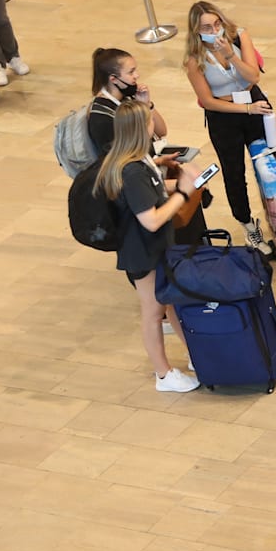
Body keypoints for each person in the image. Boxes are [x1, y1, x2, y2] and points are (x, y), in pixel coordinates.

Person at [95, 100, 203, 393]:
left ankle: (196, 354)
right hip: (142, 252)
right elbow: (152, 220)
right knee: (154, 311)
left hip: (157, 248)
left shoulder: (141, 160)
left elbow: (154, 189)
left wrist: (184, 180)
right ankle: (164, 374)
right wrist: (183, 193)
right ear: (143, 127)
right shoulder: (131, 170)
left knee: (170, 304)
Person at [179, 0, 274, 256]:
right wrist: (245, 109)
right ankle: (246, 224)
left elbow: (253, 77)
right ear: (196, 30)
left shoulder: (239, 36)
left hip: (254, 103)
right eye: (207, 27)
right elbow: (208, 101)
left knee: (270, 163)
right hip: (225, 117)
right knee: (234, 172)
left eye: (217, 23)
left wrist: (231, 54)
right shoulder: (194, 60)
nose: (214, 30)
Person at [89, 48, 169, 159]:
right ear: (113, 79)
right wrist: (160, 163)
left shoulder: (127, 96)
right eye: (131, 72)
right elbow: (126, 159)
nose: (137, 75)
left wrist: (147, 105)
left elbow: (162, 132)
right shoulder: (102, 118)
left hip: (152, 159)